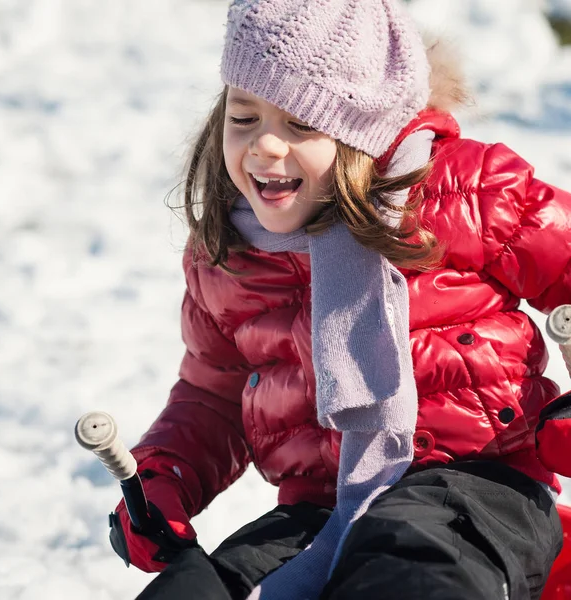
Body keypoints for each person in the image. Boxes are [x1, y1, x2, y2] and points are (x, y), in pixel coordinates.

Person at [107, 1, 571, 598]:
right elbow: (212, 392)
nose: (264, 148)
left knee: (407, 571)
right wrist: (163, 476)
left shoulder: (464, 191)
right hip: (320, 507)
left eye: (301, 124)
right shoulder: (230, 252)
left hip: (475, 483)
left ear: (363, 127)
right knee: (208, 589)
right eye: (243, 117)